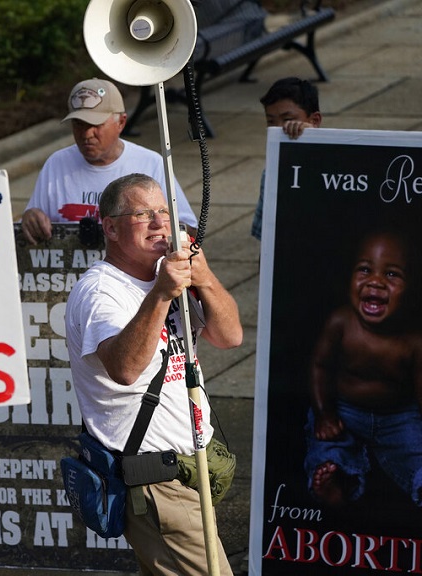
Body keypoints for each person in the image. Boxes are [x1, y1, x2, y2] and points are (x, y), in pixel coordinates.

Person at [65, 173, 242, 575]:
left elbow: (229, 337)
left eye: (165, 211)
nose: (161, 223)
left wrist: (205, 279)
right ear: (110, 227)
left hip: (187, 472)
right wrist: (161, 294)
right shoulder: (101, 292)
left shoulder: (173, 276)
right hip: (155, 484)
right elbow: (125, 369)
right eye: (143, 215)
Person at [305, 228, 422, 508]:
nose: (376, 282)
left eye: (392, 274)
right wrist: (324, 413)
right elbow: (320, 367)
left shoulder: (414, 341)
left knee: (416, 449)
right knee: (326, 444)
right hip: (346, 412)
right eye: (365, 270)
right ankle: (336, 481)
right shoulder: (341, 323)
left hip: (399, 418)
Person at [19, 78, 198, 244]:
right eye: (79, 124)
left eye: (96, 125)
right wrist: (31, 218)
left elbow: (189, 231)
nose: (87, 134)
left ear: (121, 122)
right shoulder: (56, 164)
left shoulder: (150, 164)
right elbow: (32, 220)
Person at [251, 77, 322, 240]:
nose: (280, 129)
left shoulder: (333, 164)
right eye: (271, 122)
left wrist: (312, 136)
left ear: (315, 120)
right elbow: (266, 239)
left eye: (289, 120)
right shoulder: (273, 172)